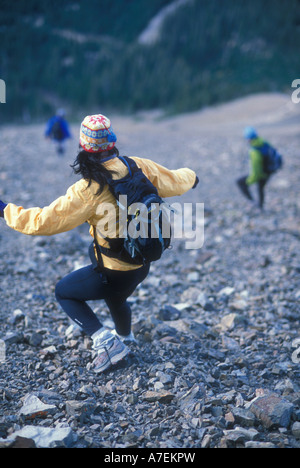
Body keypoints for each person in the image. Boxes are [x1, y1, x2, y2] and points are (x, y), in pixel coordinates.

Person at [0, 114, 198, 374]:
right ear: (112, 141)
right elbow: (174, 179)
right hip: (142, 262)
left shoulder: (87, 189)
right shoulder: (138, 166)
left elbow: (43, 222)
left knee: (64, 291)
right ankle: (126, 338)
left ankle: (105, 340)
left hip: (114, 269)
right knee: (116, 297)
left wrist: (5, 210)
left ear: (84, 147)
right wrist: (192, 177)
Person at [236, 126, 270, 210]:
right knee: (260, 188)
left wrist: (249, 181)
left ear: (248, 139)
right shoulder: (263, 142)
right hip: (268, 171)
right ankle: (261, 206)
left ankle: (254, 203)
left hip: (262, 173)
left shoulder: (254, 151)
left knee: (240, 182)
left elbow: (256, 172)